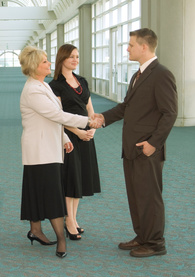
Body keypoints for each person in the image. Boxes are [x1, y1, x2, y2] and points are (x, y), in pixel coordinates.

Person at [93, 28, 178, 257]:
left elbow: (169, 113)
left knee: (150, 196)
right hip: (131, 147)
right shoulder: (137, 74)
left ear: (144, 47)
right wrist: (103, 118)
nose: (127, 49)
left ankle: (155, 243)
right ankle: (142, 236)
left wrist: (154, 144)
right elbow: (126, 107)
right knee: (136, 195)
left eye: (130, 45)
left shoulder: (161, 74)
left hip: (147, 149)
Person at [19, 46, 96, 259]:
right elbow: (56, 114)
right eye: (45, 61)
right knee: (52, 193)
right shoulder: (33, 90)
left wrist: (64, 138)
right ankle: (61, 240)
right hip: (40, 149)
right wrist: (87, 121)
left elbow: (51, 117)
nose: (49, 64)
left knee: (35, 190)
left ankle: (35, 230)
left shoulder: (41, 85)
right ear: (35, 66)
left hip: (47, 146)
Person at [49, 44, 101, 240]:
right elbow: (58, 115)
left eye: (77, 57)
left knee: (80, 177)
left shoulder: (82, 81)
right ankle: (69, 220)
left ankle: (73, 218)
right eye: (71, 56)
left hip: (86, 134)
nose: (75, 60)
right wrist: (78, 132)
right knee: (70, 177)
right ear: (62, 59)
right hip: (69, 136)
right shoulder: (55, 85)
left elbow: (89, 106)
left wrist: (93, 126)